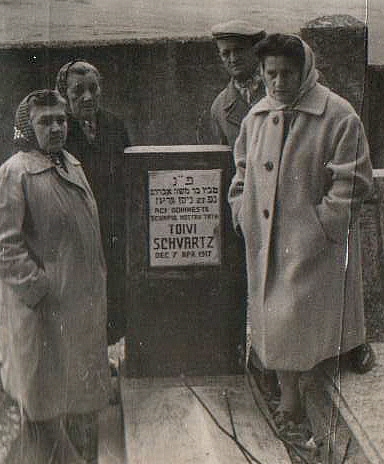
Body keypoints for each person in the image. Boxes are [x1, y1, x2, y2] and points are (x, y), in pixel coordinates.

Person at [228, 34, 373, 434]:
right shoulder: (256, 117)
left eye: (287, 73)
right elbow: (240, 171)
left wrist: (322, 223)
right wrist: (242, 211)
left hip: (314, 245)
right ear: (260, 73)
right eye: (270, 73)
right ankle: (287, 390)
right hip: (267, 241)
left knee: (301, 317)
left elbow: (354, 181)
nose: (278, 82)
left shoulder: (338, 115)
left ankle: (292, 401)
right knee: (278, 318)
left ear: (305, 70)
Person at [0, 89, 110, 463]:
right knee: (42, 411)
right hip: (43, 313)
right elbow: (5, 245)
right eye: (45, 122)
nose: (56, 128)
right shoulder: (16, 173)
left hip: (77, 309)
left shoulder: (71, 165)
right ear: (28, 128)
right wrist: (39, 287)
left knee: (77, 403)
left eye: (61, 120)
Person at [56, 60, 130, 345]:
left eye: (93, 89)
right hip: (77, 228)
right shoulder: (59, 131)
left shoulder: (114, 124)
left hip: (111, 225)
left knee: (114, 290)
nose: (87, 97)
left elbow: (128, 173)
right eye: (78, 91)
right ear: (64, 95)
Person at [210, 19, 266, 148]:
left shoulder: (278, 90)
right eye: (226, 53)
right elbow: (222, 160)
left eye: (239, 50)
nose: (233, 59)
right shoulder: (219, 107)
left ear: (256, 51)